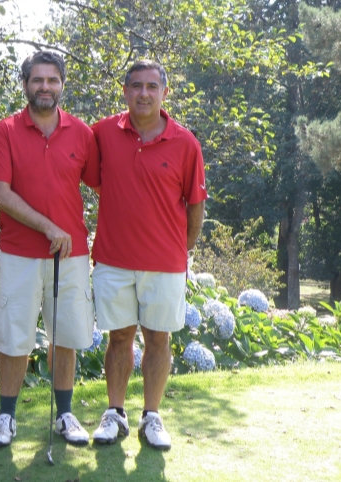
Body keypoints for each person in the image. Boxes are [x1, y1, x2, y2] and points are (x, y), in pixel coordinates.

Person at [90, 60, 207, 450]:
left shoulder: (186, 143)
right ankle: (115, 414)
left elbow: (195, 206)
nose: (143, 93)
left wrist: (180, 250)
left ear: (164, 93)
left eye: (151, 86)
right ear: (125, 91)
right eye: (136, 86)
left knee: (158, 339)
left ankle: (152, 417)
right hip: (113, 258)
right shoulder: (103, 133)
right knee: (119, 336)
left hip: (165, 263)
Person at [0, 51, 100, 447]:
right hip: (19, 253)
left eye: (53, 80)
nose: (45, 87)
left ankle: (65, 415)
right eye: (38, 80)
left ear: (62, 85)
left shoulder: (82, 134)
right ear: (25, 85)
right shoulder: (5, 131)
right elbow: (1, 193)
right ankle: (6, 417)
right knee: (14, 336)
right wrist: (49, 225)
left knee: (65, 335)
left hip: (70, 256)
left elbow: (107, 185)